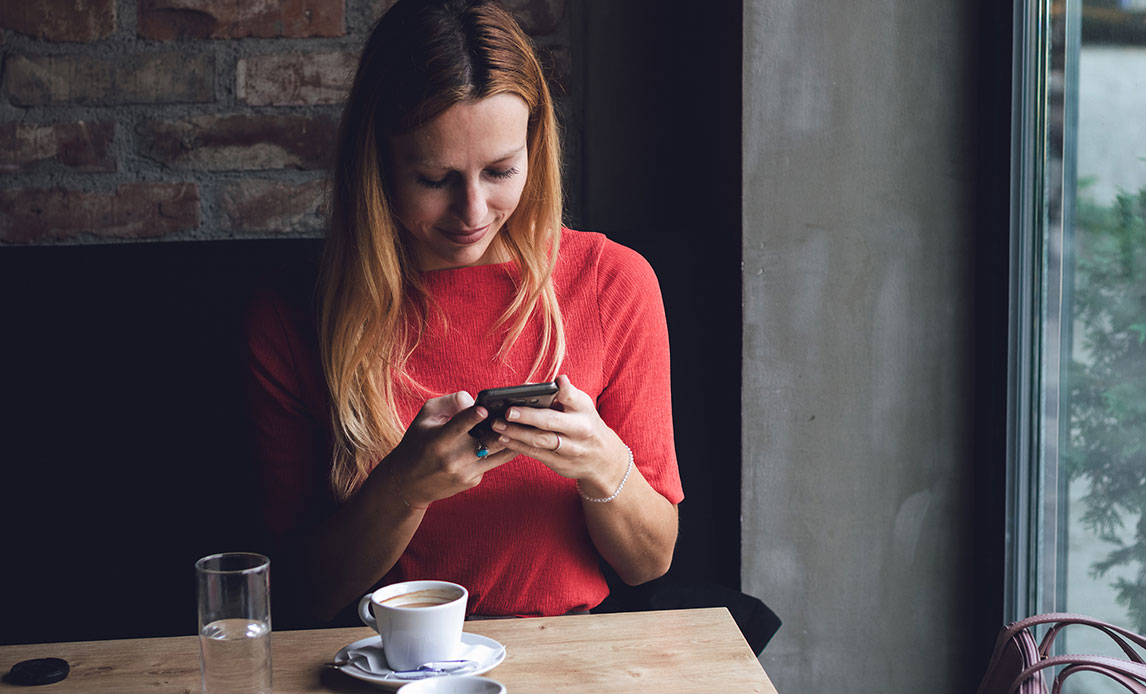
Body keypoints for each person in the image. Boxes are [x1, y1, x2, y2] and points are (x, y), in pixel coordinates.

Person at [246, 0, 682, 625]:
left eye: (501, 171)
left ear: (535, 149)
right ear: (378, 165)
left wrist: (603, 466)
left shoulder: (614, 284)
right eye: (434, 178)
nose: (473, 212)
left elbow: (652, 562)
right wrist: (404, 488)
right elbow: (296, 594)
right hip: (380, 665)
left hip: (568, 663)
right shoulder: (292, 318)